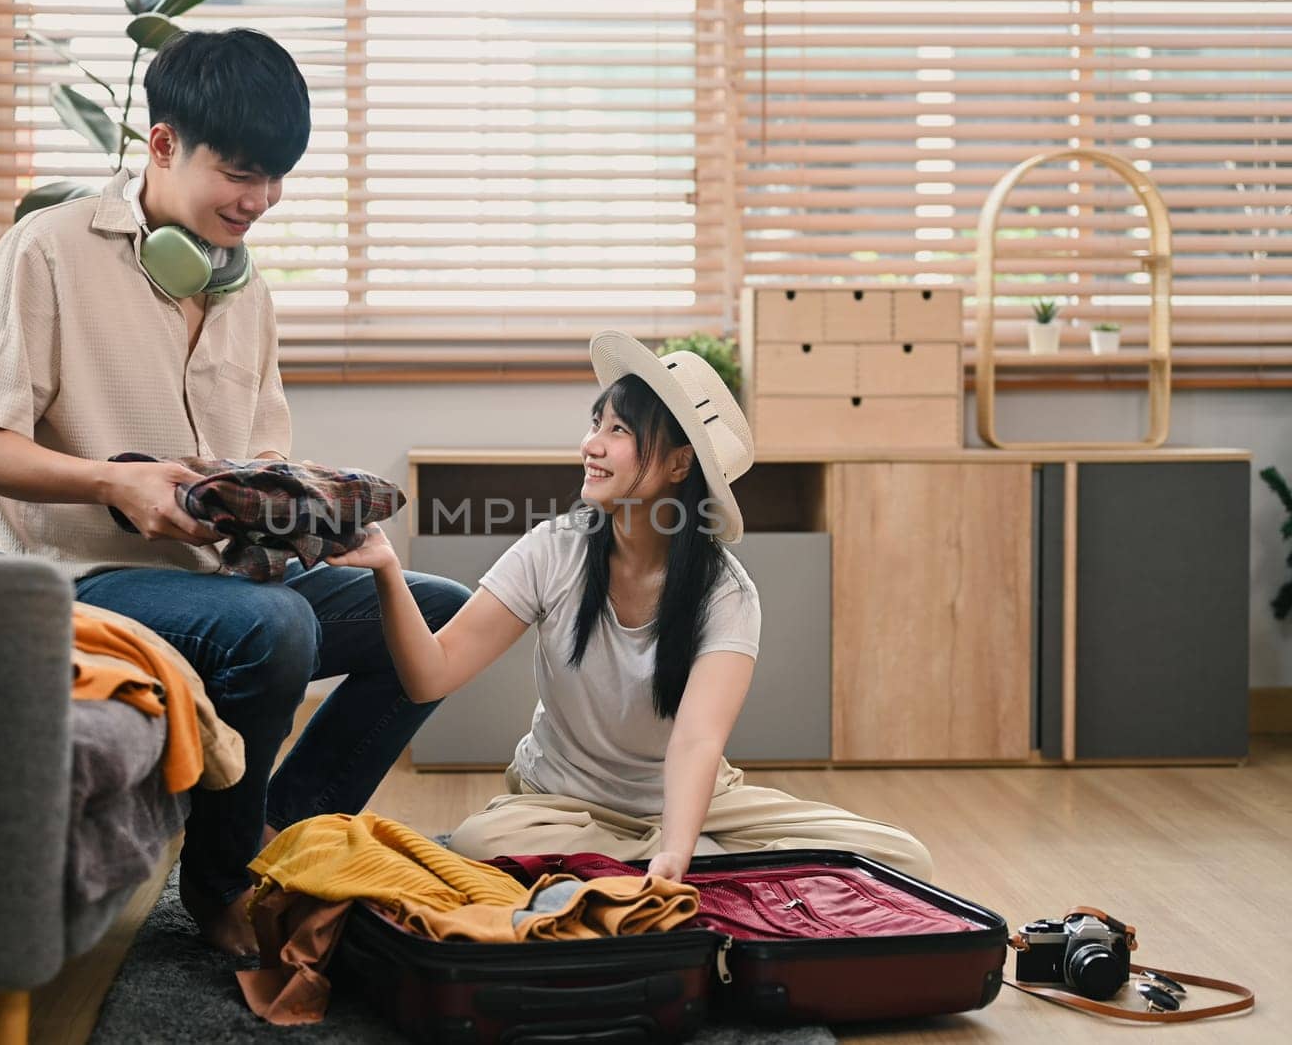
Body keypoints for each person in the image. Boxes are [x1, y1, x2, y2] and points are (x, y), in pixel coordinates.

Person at [0, 29, 469, 955]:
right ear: (164, 144)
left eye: (277, 179)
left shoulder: (242, 291)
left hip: (207, 574)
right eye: (242, 173)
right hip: (65, 576)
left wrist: (296, 513)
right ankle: (219, 890)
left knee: (434, 613)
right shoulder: (46, 252)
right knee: (280, 629)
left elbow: (260, 450)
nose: (259, 202)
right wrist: (113, 482)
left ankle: (284, 838)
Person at [329, 331, 932, 883]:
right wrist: (387, 570)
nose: (591, 445)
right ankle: (706, 868)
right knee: (478, 840)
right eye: (597, 424)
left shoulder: (726, 593)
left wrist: (673, 846)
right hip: (562, 804)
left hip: (696, 800)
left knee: (903, 857)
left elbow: (696, 742)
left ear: (679, 463)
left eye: (618, 431)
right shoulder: (553, 550)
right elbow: (430, 675)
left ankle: (658, 859)